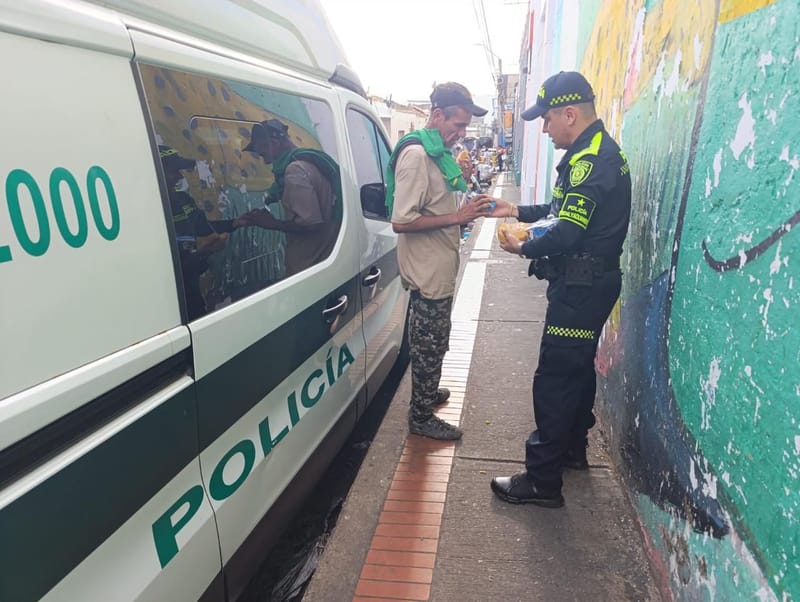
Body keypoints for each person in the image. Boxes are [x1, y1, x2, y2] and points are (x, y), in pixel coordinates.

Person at [483, 71, 632, 506]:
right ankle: (571, 450)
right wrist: (515, 210)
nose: (545, 129)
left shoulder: (591, 161)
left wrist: (523, 246)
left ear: (570, 114)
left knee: (555, 376)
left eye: (547, 119)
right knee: (577, 368)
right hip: (589, 283)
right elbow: (559, 211)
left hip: (581, 288)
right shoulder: (593, 151)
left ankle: (542, 481)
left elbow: (566, 231)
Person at [386, 82, 493, 440]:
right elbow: (402, 220)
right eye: (458, 125)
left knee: (436, 339)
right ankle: (420, 417)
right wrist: (458, 217)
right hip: (427, 272)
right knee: (428, 345)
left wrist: (464, 206)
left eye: (465, 127)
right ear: (436, 116)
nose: (461, 133)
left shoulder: (438, 154)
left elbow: (436, 204)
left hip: (438, 267)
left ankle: (427, 393)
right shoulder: (418, 156)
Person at [239, 118, 341, 277]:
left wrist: (272, 224)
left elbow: (312, 225)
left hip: (309, 264)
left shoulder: (295, 170)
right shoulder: (309, 161)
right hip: (326, 257)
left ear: (274, 143)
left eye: (263, 153)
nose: (264, 160)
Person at [160, 145, 245, 320]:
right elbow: (166, 269)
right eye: (172, 171)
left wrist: (235, 223)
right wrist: (204, 252)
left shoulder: (182, 198)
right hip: (170, 299)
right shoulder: (147, 209)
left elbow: (202, 227)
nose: (179, 176)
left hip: (192, 290)